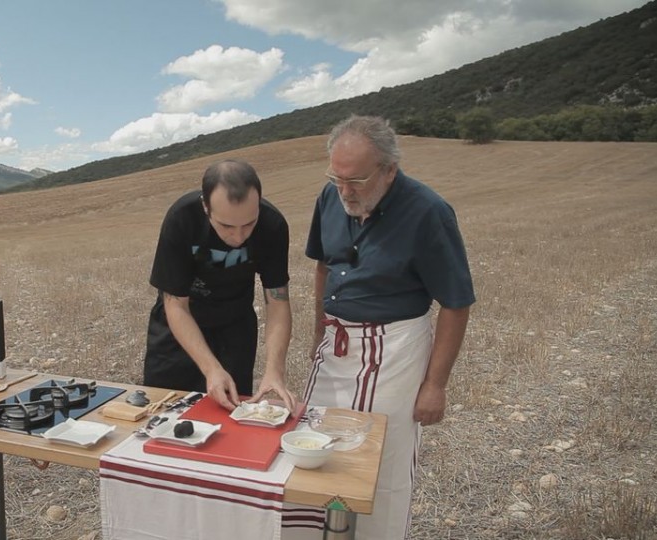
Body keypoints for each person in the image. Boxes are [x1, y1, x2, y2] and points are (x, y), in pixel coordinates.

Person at [303, 115, 475, 539]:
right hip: (337, 342)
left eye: (356, 181)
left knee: (382, 460)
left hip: (396, 349)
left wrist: (436, 384)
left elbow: (456, 304)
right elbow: (324, 265)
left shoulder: (428, 212)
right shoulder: (330, 197)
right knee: (312, 448)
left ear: (389, 169)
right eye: (336, 177)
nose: (344, 191)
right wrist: (318, 329)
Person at [143, 159, 297, 411]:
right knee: (166, 411)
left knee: (230, 412)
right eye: (226, 226)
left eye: (249, 224)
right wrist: (211, 369)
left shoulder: (273, 225)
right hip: (180, 326)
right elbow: (176, 305)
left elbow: (278, 301)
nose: (238, 237)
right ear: (205, 206)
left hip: (234, 326)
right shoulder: (182, 218)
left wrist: (274, 371)